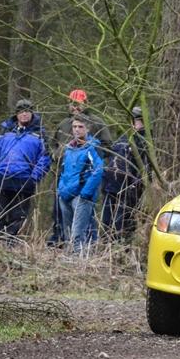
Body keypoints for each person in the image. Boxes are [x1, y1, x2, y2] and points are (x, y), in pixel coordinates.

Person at [47, 88, 113, 247]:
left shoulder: (96, 122)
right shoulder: (64, 124)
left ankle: (89, 246)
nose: (74, 107)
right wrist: (56, 155)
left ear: (86, 103)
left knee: (85, 215)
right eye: (72, 103)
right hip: (65, 175)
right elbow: (51, 144)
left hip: (85, 177)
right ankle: (62, 243)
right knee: (60, 212)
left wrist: (89, 155)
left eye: (78, 104)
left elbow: (108, 145)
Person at [0, 99, 51, 239]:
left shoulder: (40, 133)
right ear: (16, 114)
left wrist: (33, 178)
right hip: (2, 178)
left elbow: (45, 158)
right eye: (21, 112)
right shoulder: (5, 130)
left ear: (32, 113)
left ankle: (10, 242)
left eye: (27, 111)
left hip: (24, 181)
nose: (24, 114)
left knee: (18, 216)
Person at [57, 116, 104, 252]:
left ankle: (79, 264)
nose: (77, 130)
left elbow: (98, 171)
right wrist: (61, 190)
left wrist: (85, 193)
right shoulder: (69, 148)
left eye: (80, 127)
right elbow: (63, 170)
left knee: (77, 234)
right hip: (65, 195)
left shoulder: (93, 147)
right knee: (67, 234)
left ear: (87, 129)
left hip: (81, 197)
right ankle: (68, 264)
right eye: (74, 127)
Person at [101, 106, 149, 240]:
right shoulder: (123, 137)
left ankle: (121, 249)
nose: (135, 123)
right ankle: (106, 247)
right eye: (133, 120)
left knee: (122, 223)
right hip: (111, 186)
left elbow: (145, 169)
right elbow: (111, 158)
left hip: (129, 190)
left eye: (138, 120)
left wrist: (135, 186)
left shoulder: (145, 142)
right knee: (106, 221)